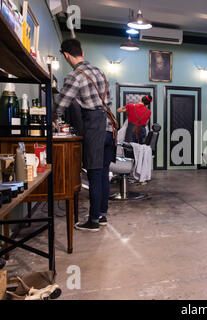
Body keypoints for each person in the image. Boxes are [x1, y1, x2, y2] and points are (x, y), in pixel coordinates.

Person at [54, 38, 117, 232]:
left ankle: (93, 221)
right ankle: (102, 214)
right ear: (82, 53)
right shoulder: (99, 71)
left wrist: (52, 118)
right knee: (104, 173)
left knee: (94, 175)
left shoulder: (75, 76)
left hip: (94, 127)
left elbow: (61, 104)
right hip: (109, 127)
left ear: (66, 55)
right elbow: (109, 101)